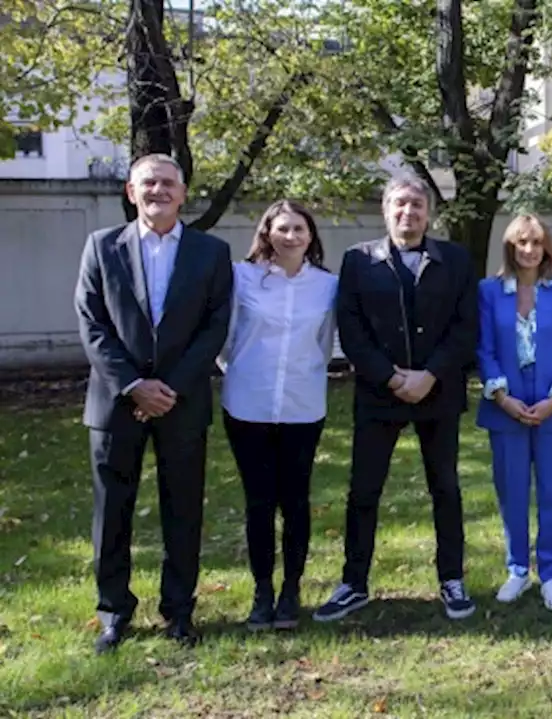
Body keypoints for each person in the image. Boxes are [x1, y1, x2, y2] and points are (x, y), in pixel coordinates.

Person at [74, 154, 232, 652]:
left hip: (181, 403)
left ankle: (179, 609)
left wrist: (170, 389)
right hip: (114, 402)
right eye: (149, 183)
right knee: (112, 511)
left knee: (183, 509)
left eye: (168, 184)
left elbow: (215, 326)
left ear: (183, 194)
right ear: (130, 191)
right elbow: (91, 322)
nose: (158, 191)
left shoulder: (212, 252)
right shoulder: (102, 247)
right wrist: (132, 386)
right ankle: (114, 611)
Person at [314, 175, 478, 623]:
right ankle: (354, 583)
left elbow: (466, 329)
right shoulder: (358, 261)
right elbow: (352, 331)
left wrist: (430, 375)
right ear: (386, 210)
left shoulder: (456, 260)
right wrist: (389, 377)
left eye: (417, 206)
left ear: (429, 213)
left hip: (437, 392)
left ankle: (452, 580)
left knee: (444, 488)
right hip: (378, 394)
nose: (409, 213)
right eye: (400, 204)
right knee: (364, 490)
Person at [218, 200, 337, 630]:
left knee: (296, 500)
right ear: (267, 232)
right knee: (259, 502)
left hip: (303, 406)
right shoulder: (241, 277)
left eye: (299, 229)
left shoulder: (326, 286)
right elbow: (225, 336)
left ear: (311, 236)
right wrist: (241, 369)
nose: (291, 236)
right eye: (282, 228)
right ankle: (262, 590)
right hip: (247, 402)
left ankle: (292, 590)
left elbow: (326, 342)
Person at [476, 215, 552, 611]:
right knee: (513, 493)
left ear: (547, 249)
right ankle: (518, 570)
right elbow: (484, 350)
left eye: (536, 243)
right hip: (506, 409)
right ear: (510, 246)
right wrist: (502, 398)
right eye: (521, 242)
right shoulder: (489, 291)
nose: (529, 250)